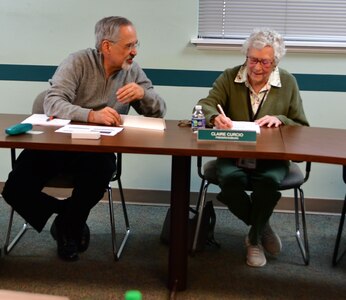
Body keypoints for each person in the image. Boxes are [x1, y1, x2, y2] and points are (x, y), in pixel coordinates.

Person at [2, 16, 166, 261]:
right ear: (107, 46)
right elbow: (52, 102)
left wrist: (144, 94)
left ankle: (68, 227)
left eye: (136, 45)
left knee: (99, 173)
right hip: (56, 145)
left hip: (97, 150)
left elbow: (158, 113)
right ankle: (68, 217)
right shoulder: (78, 62)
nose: (134, 52)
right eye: (128, 46)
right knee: (14, 189)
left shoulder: (132, 71)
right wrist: (91, 115)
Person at [197, 28, 309, 267]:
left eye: (265, 62)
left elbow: (301, 125)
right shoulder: (230, 77)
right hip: (234, 154)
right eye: (253, 60)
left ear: (275, 61)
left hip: (272, 159)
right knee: (229, 179)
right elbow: (206, 104)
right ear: (246, 56)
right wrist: (215, 117)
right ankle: (261, 226)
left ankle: (254, 239)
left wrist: (282, 119)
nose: (257, 67)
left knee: (268, 182)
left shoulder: (287, 82)